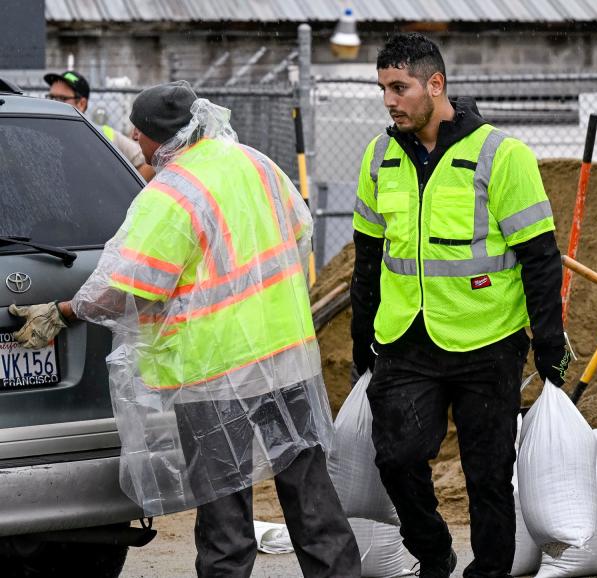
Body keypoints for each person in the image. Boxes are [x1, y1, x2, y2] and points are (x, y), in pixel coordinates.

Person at [10, 81, 360, 577]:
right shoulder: (255, 163)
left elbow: (127, 284)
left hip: (213, 372)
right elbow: (300, 232)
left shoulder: (173, 194)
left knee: (224, 513)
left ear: (158, 137)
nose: (136, 138)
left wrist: (64, 312)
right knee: (310, 493)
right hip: (285, 357)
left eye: (140, 131)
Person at [350, 33, 567, 578]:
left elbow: (540, 256)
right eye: (383, 89)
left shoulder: (502, 155)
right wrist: (360, 333)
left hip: (489, 341)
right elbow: (368, 256)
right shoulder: (379, 158)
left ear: (436, 84)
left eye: (399, 87)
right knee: (396, 458)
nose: (389, 101)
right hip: (405, 337)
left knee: (488, 474)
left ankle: (489, 571)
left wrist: (548, 339)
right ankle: (434, 552)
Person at [45, 70, 155, 181]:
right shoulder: (37, 130)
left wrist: (127, 195)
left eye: (60, 99)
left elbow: (149, 165)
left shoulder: (103, 135)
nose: (52, 103)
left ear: (81, 104)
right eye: (51, 97)